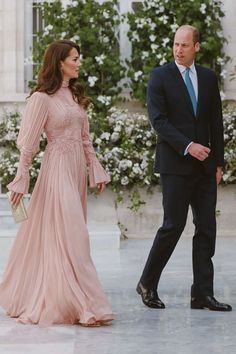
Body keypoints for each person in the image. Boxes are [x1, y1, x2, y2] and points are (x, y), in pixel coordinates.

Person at [0, 40, 114, 326]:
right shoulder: (41, 98)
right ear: (60, 62)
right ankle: (85, 305)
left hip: (75, 169)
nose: (79, 62)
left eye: (79, 57)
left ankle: (76, 302)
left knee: (67, 236)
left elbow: (85, 138)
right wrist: (20, 177)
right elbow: (29, 143)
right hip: (57, 169)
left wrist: (95, 168)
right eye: (74, 58)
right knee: (76, 234)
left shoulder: (74, 95)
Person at [136, 25, 232, 312]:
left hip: (205, 168)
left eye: (185, 45)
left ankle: (202, 294)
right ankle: (147, 283)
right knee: (173, 225)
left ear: (197, 47)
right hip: (175, 165)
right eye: (175, 44)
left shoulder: (208, 77)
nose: (178, 50)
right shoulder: (160, 76)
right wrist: (189, 145)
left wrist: (218, 162)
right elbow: (159, 121)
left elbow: (216, 122)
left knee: (206, 228)